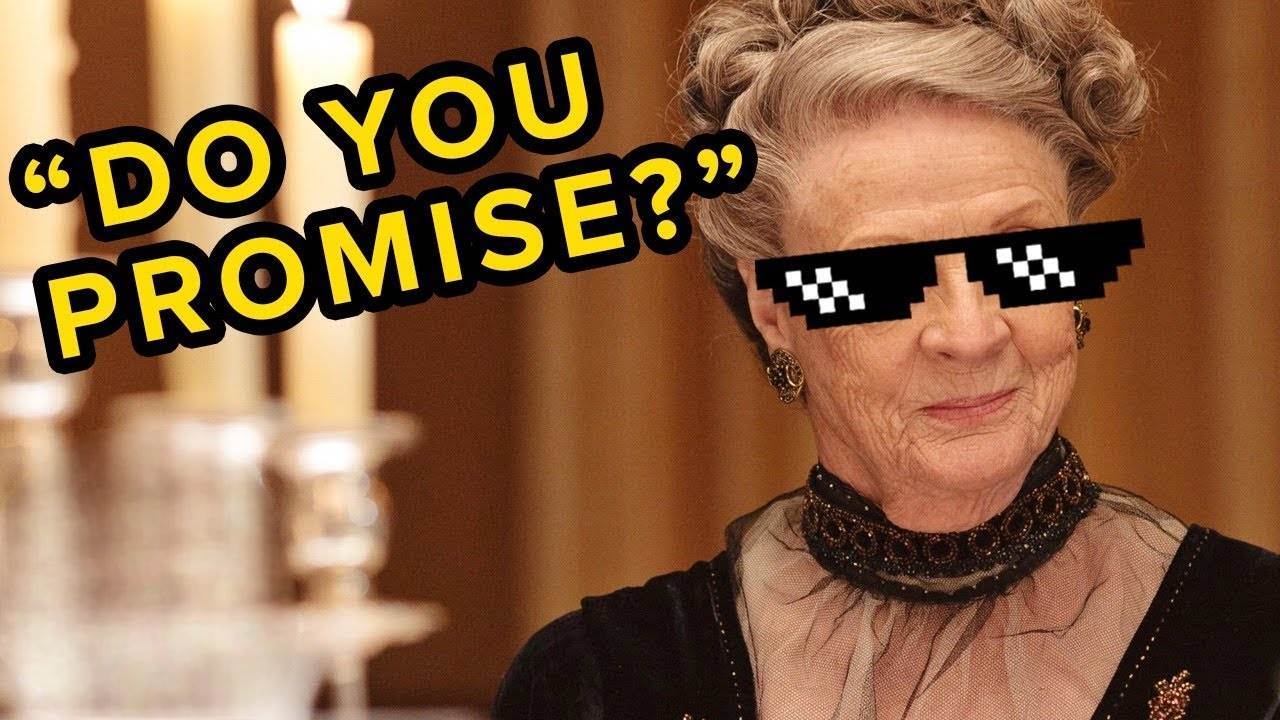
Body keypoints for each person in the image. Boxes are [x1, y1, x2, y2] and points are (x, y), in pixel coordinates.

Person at [493, 1, 1280, 717]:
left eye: (1019, 255)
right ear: (774, 311)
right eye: (885, 277)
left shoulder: (1258, 644)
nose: (971, 333)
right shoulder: (603, 684)